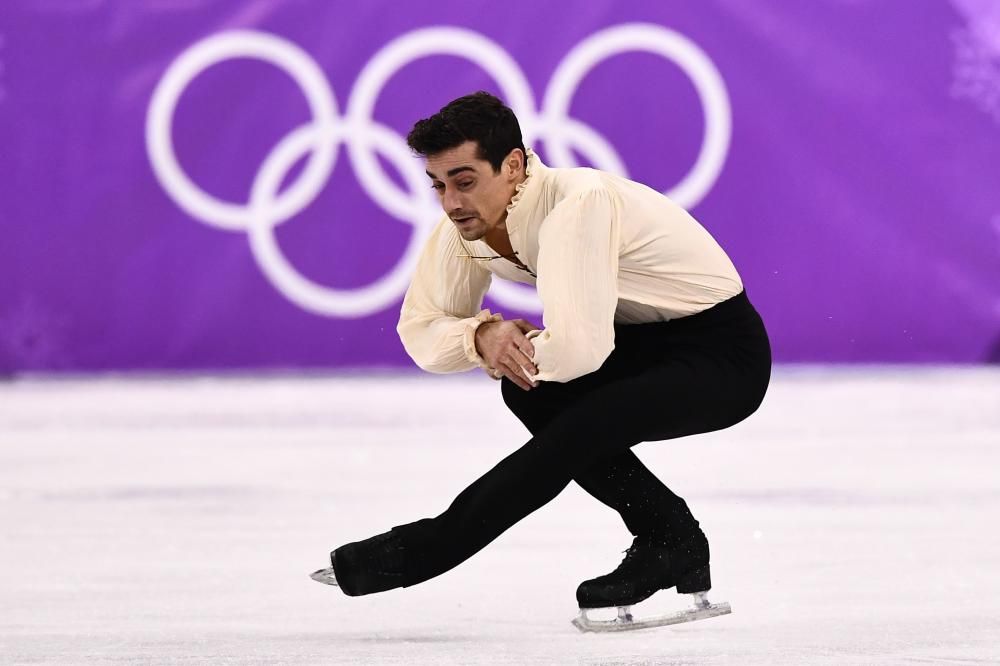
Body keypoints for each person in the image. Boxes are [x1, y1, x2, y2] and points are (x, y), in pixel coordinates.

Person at [320, 91, 771, 616]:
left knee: (581, 421)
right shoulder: (463, 230)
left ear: (513, 166)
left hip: (721, 355)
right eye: (439, 186)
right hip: (640, 346)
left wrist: (511, 347)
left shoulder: (577, 204)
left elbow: (580, 351)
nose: (451, 202)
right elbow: (420, 331)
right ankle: (670, 539)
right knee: (530, 390)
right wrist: (481, 336)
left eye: (464, 182)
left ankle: (424, 550)